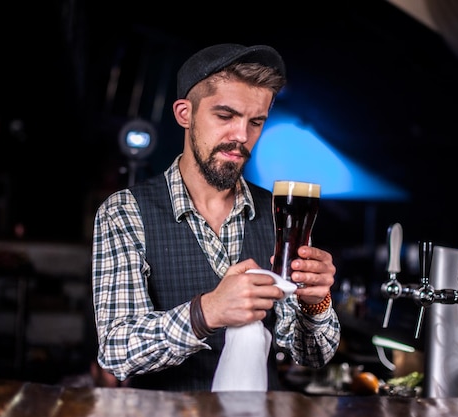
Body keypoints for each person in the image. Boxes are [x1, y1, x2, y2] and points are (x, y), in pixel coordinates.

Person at [91, 43, 341, 391]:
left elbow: (312, 356)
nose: (241, 136)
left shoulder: (280, 214)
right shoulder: (125, 211)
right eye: (225, 116)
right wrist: (206, 312)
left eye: (255, 122)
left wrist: (317, 305)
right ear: (185, 114)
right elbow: (116, 352)